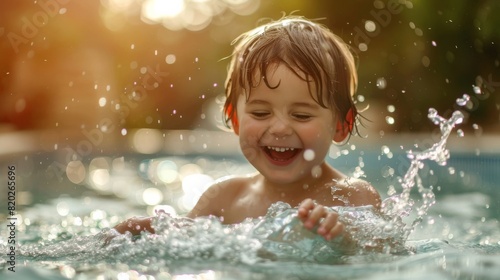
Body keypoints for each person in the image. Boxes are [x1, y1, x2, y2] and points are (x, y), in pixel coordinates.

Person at [114, 16, 381, 242]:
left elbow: (382, 254)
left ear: (341, 126)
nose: (278, 128)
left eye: (300, 114)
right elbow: (180, 243)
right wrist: (140, 230)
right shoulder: (224, 199)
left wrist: (345, 239)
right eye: (260, 112)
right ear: (235, 119)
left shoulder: (353, 197)